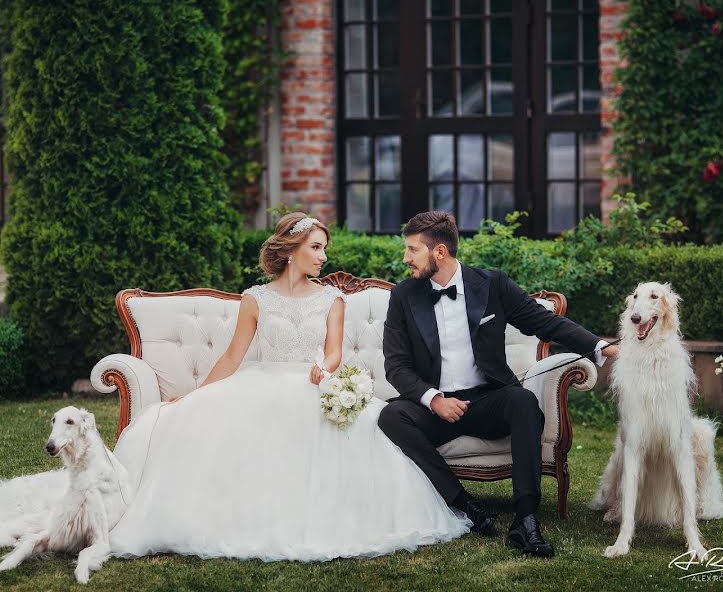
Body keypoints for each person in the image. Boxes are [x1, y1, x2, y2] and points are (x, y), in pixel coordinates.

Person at [108, 213, 470, 561]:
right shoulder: (256, 298)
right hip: (262, 382)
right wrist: (194, 395)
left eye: (324, 248)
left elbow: (333, 353)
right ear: (291, 248)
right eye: (315, 247)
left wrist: (321, 368)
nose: (323, 256)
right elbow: (233, 357)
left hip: (312, 383)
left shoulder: (332, 299)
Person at [378, 211, 618, 558]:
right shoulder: (404, 296)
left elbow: (544, 322)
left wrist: (601, 346)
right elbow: (396, 365)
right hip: (436, 407)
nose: (406, 258)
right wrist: (434, 400)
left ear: (440, 252)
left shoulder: (491, 284)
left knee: (522, 402)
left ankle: (526, 520)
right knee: (391, 417)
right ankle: (466, 505)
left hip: (487, 400)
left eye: (413, 250)